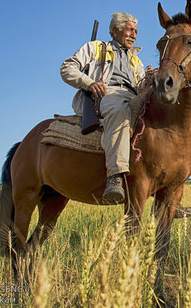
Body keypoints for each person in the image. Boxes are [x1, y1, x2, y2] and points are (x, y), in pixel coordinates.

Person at [60, 12, 144, 204]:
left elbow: (142, 85)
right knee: (120, 111)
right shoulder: (96, 48)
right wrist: (88, 83)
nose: (134, 35)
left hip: (134, 96)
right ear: (115, 31)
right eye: (129, 30)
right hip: (106, 94)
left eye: (136, 31)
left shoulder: (136, 60)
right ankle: (115, 177)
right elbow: (67, 68)